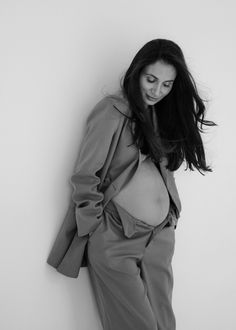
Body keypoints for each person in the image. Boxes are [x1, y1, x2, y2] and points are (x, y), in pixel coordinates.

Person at [47, 39, 216, 330]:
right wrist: (93, 226)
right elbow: (85, 174)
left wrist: (170, 219)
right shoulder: (112, 110)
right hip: (116, 236)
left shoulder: (160, 116)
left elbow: (163, 171)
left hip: (159, 239)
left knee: (164, 325)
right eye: (151, 79)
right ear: (136, 71)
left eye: (166, 84)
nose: (157, 90)